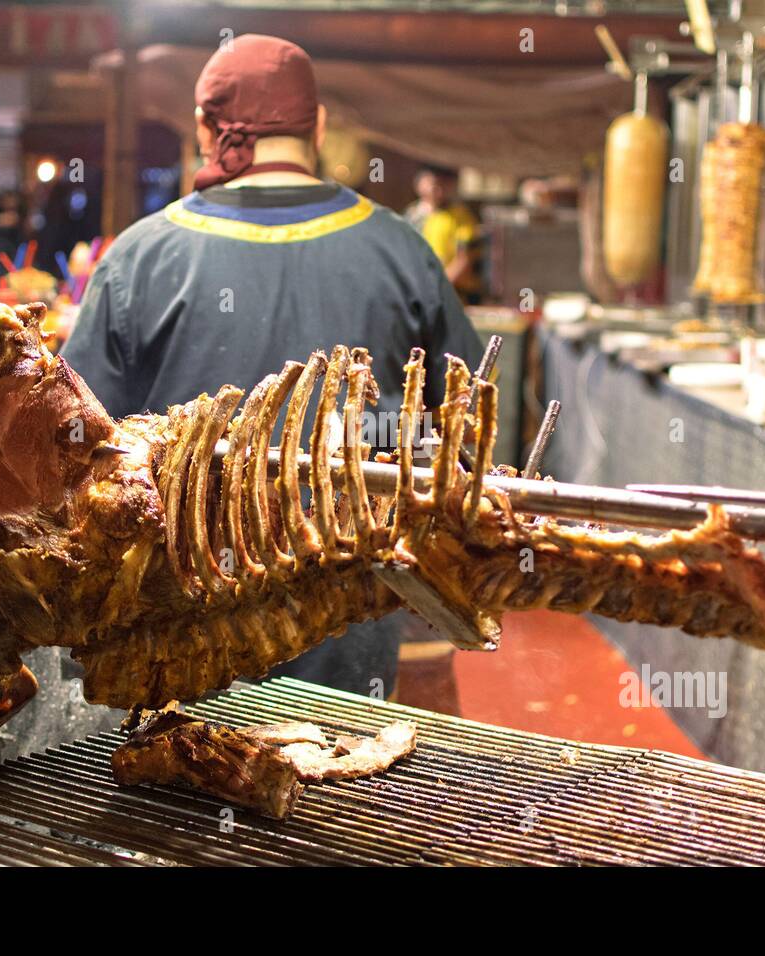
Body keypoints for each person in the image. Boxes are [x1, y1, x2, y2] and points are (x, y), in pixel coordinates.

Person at [61, 34, 484, 700]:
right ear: (316, 126)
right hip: (347, 642)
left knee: (175, 782)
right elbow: (465, 446)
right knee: (337, 786)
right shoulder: (404, 251)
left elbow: (71, 457)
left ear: (205, 128)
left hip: (175, 645)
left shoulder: (138, 257)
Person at [404, 168, 483, 304]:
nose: (436, 188)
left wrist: (439, 286)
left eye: (442, 183)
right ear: (418, 184)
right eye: (432, 183)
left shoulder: (461, 215)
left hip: (456, 294)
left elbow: (465, 258)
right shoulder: (411, 216)